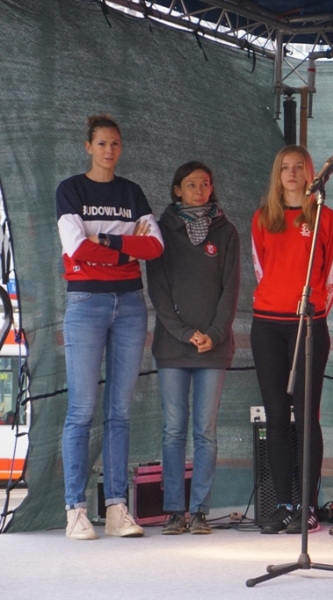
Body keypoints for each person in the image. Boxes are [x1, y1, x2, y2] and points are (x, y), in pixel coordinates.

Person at [56, 114, 164, 540]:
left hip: (131, 305)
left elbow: (154, 246)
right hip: (85, 303)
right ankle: (75, 509)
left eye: (115, 144)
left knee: (119, 411)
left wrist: (107, 241)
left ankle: (118, 507)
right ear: (88, 147)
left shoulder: (132, 192)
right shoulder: (70, 190)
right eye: (102, 143)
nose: (109, 150)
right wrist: (126, 251)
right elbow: (75, 248)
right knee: (81, 410)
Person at [251, 145, 333, 534]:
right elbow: (260, 269)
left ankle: (307, 505)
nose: (291, 173)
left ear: (310, 174)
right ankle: (283, 505)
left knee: (306, 416)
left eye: (298, 167)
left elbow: (332, 272)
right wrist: (276, 302)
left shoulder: (325, 217)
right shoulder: (263, 217)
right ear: (277, 175)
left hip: (308, 324)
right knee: (275, 416)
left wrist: (314, 312)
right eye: (284, 168)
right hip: (267, 325)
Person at [147, 161, 240, 535]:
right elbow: (158, 291)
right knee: (173, 430)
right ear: (177, 190)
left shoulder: (227, 232)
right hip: (173, 346)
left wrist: (213, 335)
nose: (199, 190)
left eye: (205, 184)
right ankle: (175, 511)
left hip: (213, 349)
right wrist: (186, 333)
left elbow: (231, 290)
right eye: (191, 184)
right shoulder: (161, 231)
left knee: (205, 431)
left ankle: (200, 510)